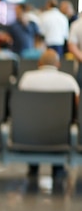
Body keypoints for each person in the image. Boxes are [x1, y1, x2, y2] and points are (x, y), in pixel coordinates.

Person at [18, 48, 79, 179]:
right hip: (61, 134)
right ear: (58, 65)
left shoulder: (27, 79)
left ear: (39, 64)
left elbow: (21, 105)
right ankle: (58, 167)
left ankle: (33, 167)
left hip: (30, 134)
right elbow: (78, 107)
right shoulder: (69, 81)